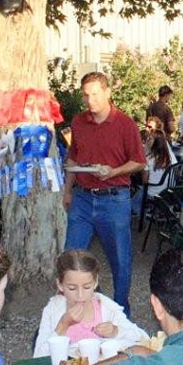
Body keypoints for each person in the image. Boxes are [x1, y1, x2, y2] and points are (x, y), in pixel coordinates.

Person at [64, 72, 146, 317]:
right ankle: (78, 311)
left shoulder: (124, 123)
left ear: (108, 92)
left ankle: (121, 313)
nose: (90, 101)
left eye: (95, 94)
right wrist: (67, 190)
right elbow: (74, 158)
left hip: (114, 198)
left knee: (120, 260)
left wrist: (114, 171)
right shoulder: (79, 122)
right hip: (83, 198)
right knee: (71, 257)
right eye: (86, 95)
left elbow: (139, 162)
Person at [34, 250, 148, 356]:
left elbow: (143, 339)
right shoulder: (53, 310)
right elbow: (39, 356)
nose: (80, 295)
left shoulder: (107, 309)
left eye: (87, 287)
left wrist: (116, 331)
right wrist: (62, 325)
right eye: (72, 288)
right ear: (60, 285)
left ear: (95, 282)